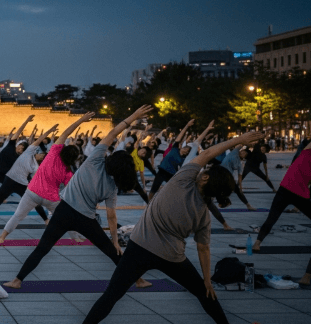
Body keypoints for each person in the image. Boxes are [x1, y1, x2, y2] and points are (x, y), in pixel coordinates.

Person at [82, 130, 264, 324]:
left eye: (206, 171)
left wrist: (239, 140)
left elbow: (207, 154)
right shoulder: (203, 215)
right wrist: (207, 281)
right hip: (171, 257)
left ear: (204, 178)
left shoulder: (183, 180)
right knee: (204, 294)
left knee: (111, 295)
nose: (203, 170)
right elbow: (203, 248)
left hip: (139, 247)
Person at [3, 106, 156, 290]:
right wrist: (114, 240)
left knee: (42, 248)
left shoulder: (95, 159)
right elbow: (111, 216)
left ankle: (17, 280)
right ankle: (138, 280)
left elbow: (114, 132)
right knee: (110, 251)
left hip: (63, 212)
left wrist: (133, 116)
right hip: (86, 219)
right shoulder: (112, 187)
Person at [0, 113, 90, 243]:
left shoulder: (53, 154)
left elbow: (65, 133)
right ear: (74, 159)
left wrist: (81, 120)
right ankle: (76, 238)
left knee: (18, 216)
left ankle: (1, 237)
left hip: (32, 192)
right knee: (65, 217)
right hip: (51, 198)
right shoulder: (68, 171)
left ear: (63, 150)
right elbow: (71, 189)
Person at [252, 140, 311, 288]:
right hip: (299, 194)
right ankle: (307, 276)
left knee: (272, 217)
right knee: (271, 217)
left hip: (285, 188)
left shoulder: (305, 152)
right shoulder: (306, 152)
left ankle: (257, 243)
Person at [0, 125, 51, 227]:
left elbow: (34, 178)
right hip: (9, 181)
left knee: (34, 201)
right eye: (41, 155)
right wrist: (48, 131)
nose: (40, 156)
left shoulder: (35, 166)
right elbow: (35, 141)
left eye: (42, 157)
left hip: (22, 184)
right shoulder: (27, 154)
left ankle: (46, 220)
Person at [148, 119, 195, 197]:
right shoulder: (175, 148)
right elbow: (179, 137)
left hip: (171, 174)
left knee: (175, 190)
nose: (185, 150)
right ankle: (149, 205)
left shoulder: (183, 159)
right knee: (153, 189)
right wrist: (187, 126)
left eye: (187, 150)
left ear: (187, 153)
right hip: (162, 171)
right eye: (185, 148)